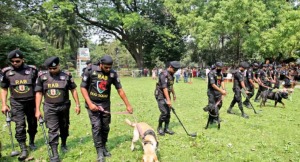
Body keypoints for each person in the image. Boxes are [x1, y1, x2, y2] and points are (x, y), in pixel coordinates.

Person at [80, 55, 132, 162]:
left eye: (110, 67)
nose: (108, 69)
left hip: (105, 104)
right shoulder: (90, 71)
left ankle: (103, 146)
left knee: (105, 127)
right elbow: (83, 87)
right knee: (96, 126)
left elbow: (120, 89)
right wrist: (90, 103)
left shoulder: (112, 73)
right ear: (100, 64)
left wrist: (128, 104)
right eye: (106, 67)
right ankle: (99, 152)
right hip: (92, 103)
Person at [35, 56, 81, 162]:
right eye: (50, 68)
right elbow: (38, 93)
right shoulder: (42, 77)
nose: (52, 70)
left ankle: (64, 143)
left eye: (54, 68)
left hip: (64, 106)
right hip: (49, 107)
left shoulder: (66, 76)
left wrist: (77, 104)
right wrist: (37, 109)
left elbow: (73, 90)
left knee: (64, 126)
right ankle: (55, 154)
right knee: (52, 130)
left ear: (59, 66)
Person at [1, 50, 38, 161]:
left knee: (32, 123)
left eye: (17, 61)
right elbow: (3, 89)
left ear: (23, 60)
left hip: (31, 101)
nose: (15, 63)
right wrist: (4, 104)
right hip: (16, 102)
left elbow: (39, 88)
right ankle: (23, 147)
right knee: (19, 125)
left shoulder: (32, 70)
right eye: (12, 61)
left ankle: (31, 141)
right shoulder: (7, 72)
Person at [155, 61, 180, 136]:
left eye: (176, 70)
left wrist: (173, 94)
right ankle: (159, 127)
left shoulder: (172, 75)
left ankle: (166, 128)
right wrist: (168, 100)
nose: (175, 71)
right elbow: (164, 88)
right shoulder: (163, 75)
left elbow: (170, 86)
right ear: (170, 67)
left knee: (168, 113)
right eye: (174, 70)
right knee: (164, 112)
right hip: (160, 94)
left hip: (167, 94)